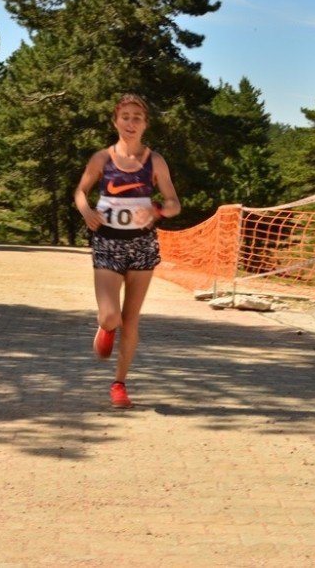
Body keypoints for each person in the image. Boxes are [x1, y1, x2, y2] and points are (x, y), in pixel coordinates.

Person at [74, 93, 180, 408]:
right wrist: (86, 211)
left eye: (137, 117)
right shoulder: (101, 159)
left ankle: (119, 384)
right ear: (115, 121)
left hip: (142, 244)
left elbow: (174, 203)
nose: (131, 123)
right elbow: (81, 191)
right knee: (111, 315)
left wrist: (158, 211)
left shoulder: (155, 161)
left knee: (131, 319)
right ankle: (106, 328)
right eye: (125, 117)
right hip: (107, 241)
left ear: (145, 124)